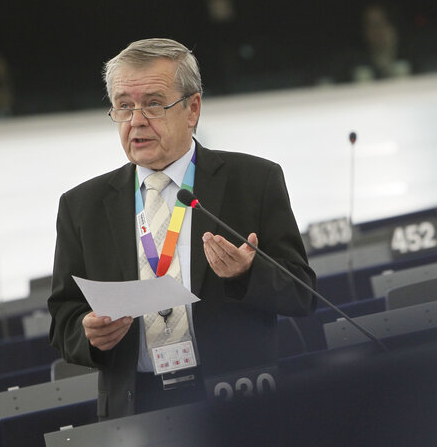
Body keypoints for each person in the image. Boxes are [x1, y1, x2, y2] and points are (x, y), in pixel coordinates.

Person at [47, 38, 316, 420]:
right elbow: (63, 320)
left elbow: (303, 294)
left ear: (193, 108)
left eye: (154, 103)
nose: (136, 121)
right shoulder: (81, 206)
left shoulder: (254, 181)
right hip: (137, 407)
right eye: (124, 106)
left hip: (238, 397)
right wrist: (87, 333)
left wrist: (246, 273)